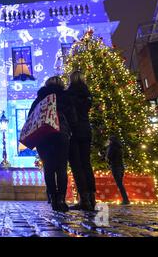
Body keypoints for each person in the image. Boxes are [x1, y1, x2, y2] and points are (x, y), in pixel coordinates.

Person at [28, 76, 77, 212]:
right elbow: (73, 117)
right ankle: (61, 199)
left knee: (48, 169)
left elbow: (31, 117)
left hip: (43, 136)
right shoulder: (64, 96)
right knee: (61, 168)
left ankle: (53, 198)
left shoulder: (40, 98)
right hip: (61, 134)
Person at [67, 71, 96, 211]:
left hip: (74, 131)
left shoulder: (69, 94)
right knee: (87, 164)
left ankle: (84, 199)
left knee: (77, 166)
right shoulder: (87, 94)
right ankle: (92, 198)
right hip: (86, 130)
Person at [106, 135, 130, 205]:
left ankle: (126, 200)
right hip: (121, 167)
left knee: (119, 184)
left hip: (115, 167)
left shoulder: (111, 147)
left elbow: (109, 157)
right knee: (120, 183)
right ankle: (125, 199)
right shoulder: (119, 148)